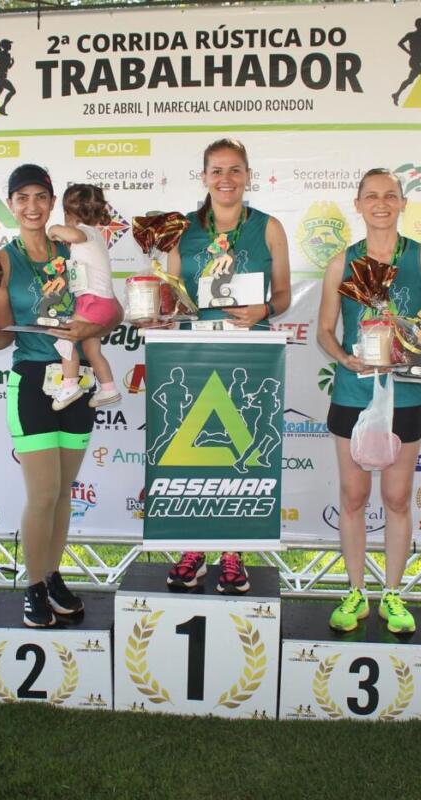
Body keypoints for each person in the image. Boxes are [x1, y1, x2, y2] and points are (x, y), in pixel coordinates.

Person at [0, 163, 121, 627]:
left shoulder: (74, 244)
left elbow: (113, 311)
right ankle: (33, 586)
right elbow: (4, 332)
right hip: (32, 383)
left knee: (63, 492)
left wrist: (93, 327)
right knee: (42, 493)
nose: (32, 206)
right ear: (10, 205)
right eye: (22, 198)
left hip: (77, 381)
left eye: (40, 197)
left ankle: (52, 574)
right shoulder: (2, 262)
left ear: (52, 201)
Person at [316, 168, 421, 634]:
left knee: (397, 498)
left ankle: (393, 594)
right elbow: (325, 331)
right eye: (372, 196)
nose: (381, 203)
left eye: (390, 196)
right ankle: (356, 591)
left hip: (406, 395)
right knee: (354, 496)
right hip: (353, 392)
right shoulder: (342, 262)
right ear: (358, 204)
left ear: (402, 203)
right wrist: (344, 358)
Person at [163, 138, 291, 595]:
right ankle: (194, 547)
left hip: (249, 354)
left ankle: (235, 550)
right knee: (195, 450)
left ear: (248, 176)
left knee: (242, 450)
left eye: (235, 170)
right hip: (193, 354)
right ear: (203, 177)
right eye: (217, 170)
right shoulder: (181, 230)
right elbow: (171, 293)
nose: (226, 179)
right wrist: (159, 307)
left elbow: (283, 295)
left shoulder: (269, 227)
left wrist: (264, 311)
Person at [47, 183, 122, 411]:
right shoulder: (95, 236)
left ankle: (70, 385)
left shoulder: (85, 232)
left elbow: (75, 234)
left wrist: (55, 229)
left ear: (69, 213)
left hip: (93, 301)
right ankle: (109, 388)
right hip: (103, 302)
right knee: (91, 349)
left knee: (65, 339)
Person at [392, 18, 421, 106]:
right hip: (414, 61)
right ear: (419, 25)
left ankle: (397, 94)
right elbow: (400, 43)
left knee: (410, 80)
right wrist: (409, 52)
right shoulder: (411, 35)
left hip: (419, 61)